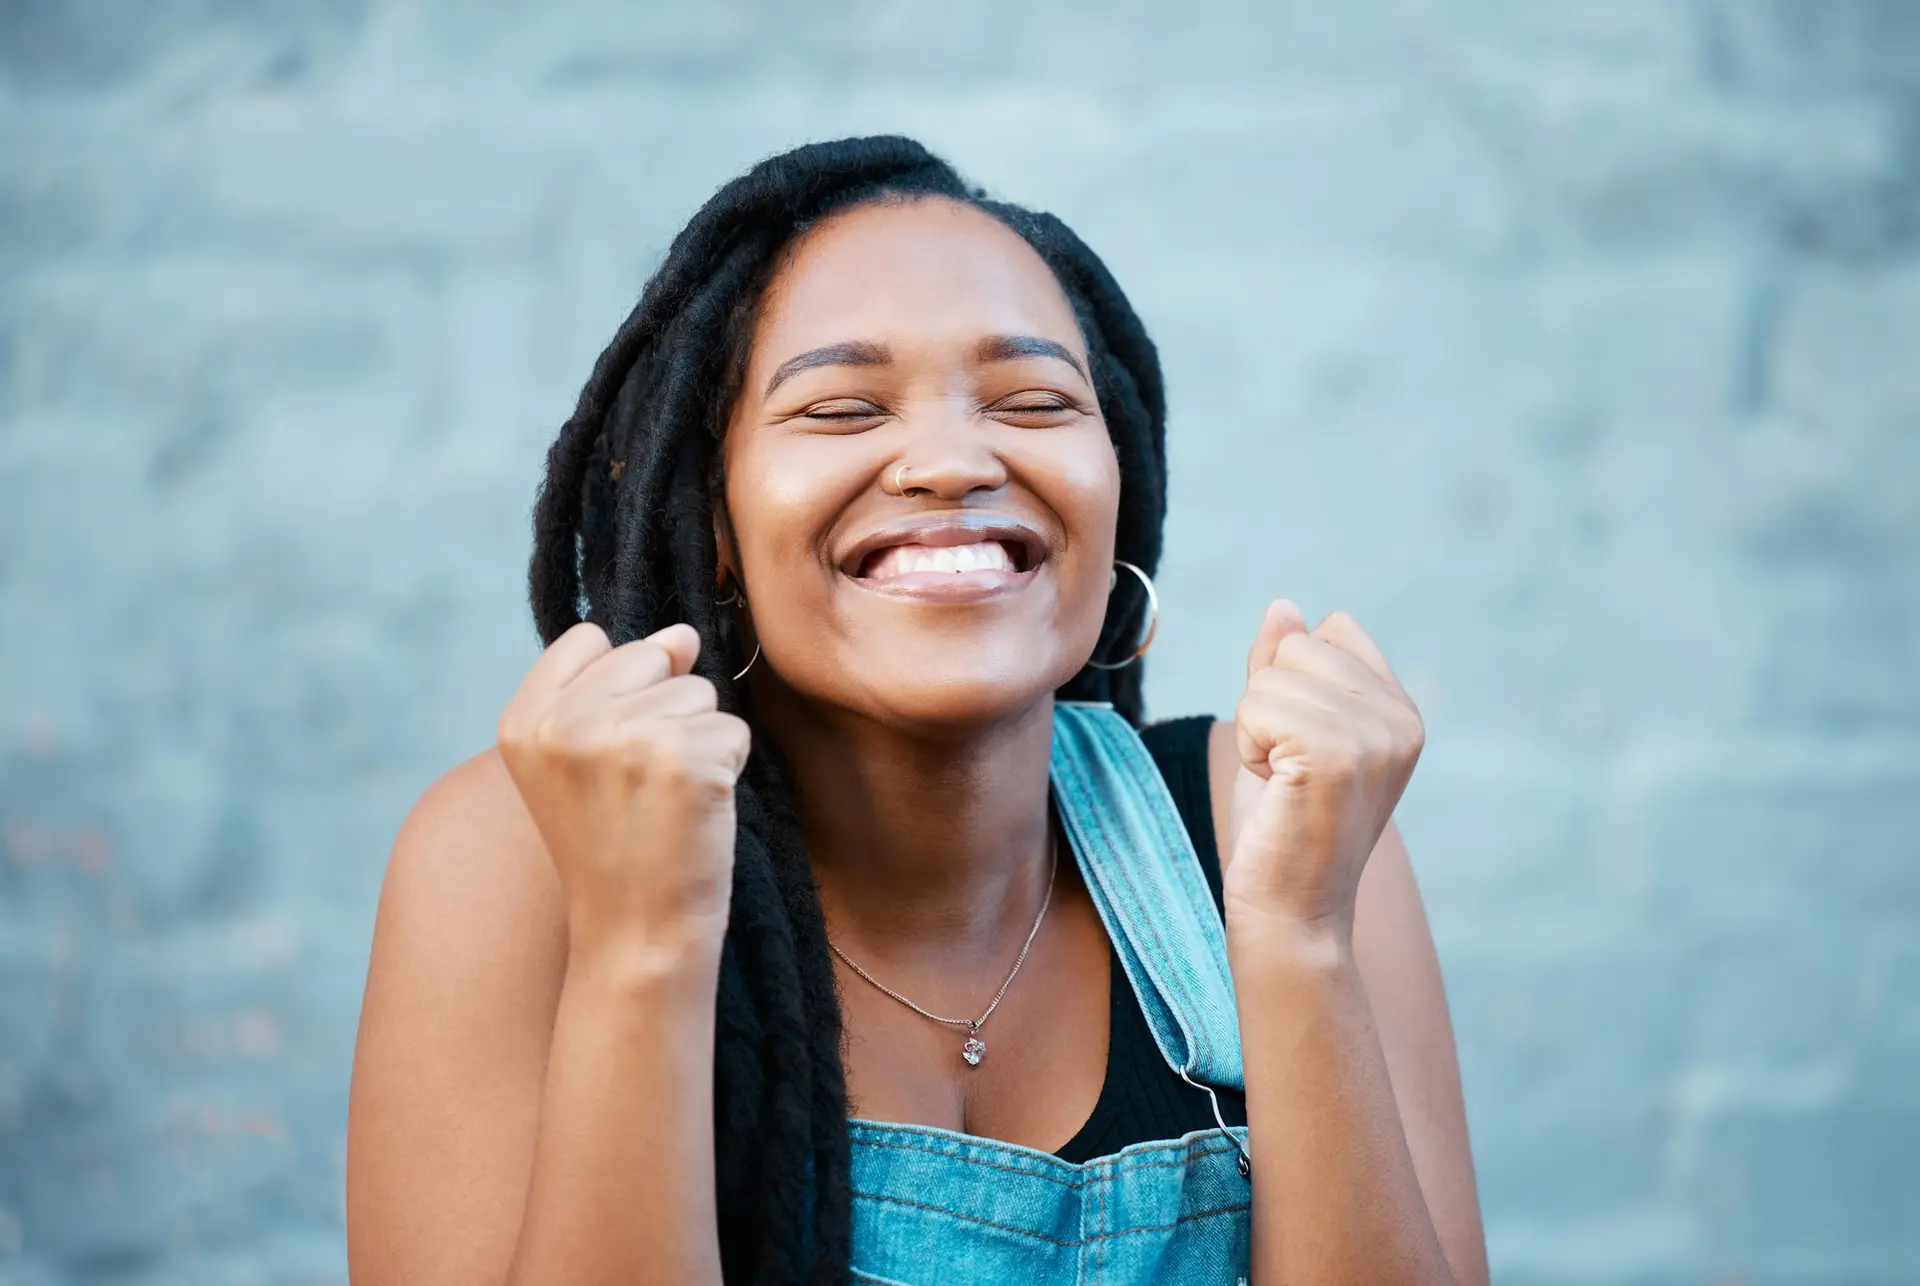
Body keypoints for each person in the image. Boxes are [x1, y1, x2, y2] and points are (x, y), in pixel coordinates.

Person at [346, 135, 1488, 1286]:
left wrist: (1297, 939)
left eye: (1034, 399)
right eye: (842, 409)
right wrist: (641, 944)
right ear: (715, 524)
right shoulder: (516, 859)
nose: (951, 460)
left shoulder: (1277, 825)